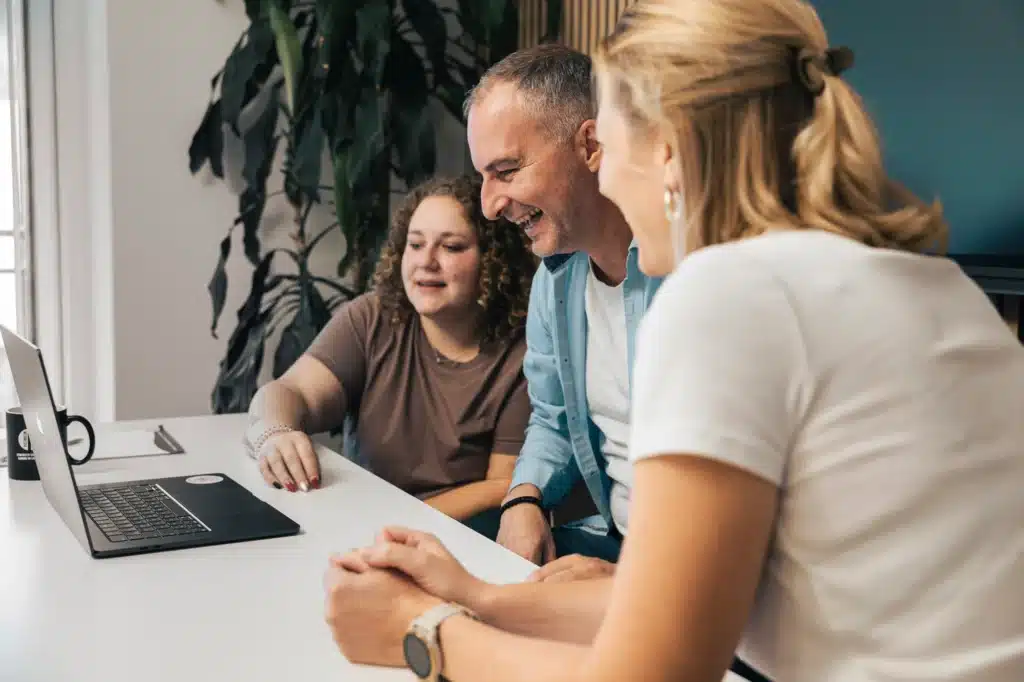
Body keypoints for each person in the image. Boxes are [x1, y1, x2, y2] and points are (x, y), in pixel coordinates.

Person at [321, 1, 1024, 681]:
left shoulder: (731, 293)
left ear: (664, 150)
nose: (609, 180)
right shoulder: (942, 290)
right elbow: (746, 603)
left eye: (609, 147)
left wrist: (421, 633)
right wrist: (480, 595)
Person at [244, 175, 537, 537]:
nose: (426, 261)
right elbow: (290, 392)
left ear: (494, 260)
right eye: (415, 244)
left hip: (460, 545)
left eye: (451, 247)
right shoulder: (371, 318)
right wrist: (275, 433)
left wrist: (388, 522)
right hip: (360, 536)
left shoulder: (522, 355)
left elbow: (503, 488)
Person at [464, 42, 662, 575]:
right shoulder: (556, 281)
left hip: (688, 578)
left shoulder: (694, 276)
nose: (489, 206)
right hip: (617, 546)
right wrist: (525, 497)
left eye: (506, 170)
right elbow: (553, 419)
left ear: (591, 145)